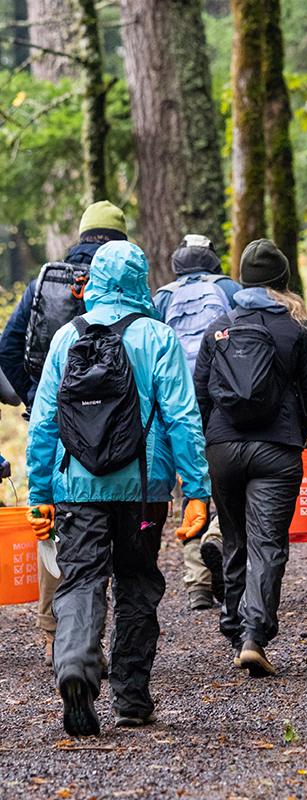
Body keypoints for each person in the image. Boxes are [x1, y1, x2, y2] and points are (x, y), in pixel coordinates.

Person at [25, 240, 211, 736]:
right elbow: (183, 418)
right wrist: (196, 490)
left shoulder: (67, 336)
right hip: (144, 492)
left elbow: (44, 421)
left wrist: (39, 492)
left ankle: (75, 670)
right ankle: (131, 699)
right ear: (140, 279)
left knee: (82, 578)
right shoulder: (158, 336)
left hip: (77, 487)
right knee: (137, 582)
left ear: (96, 282)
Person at [0, 200, 128, 666]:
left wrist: (36, 397)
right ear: (121, 235)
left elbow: (8, 347)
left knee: (53, 515)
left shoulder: (45, 280)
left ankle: (58, 631)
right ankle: (107, 630)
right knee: (115, 516)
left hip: (53, 420)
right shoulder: (126, 280)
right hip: (118, 424)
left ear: (81, 233)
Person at [194, 239, 307, 677]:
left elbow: (201, 394)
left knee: (233, 540)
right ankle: (254, 636)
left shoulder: (218, 327)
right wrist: (294, 435)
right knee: (268, 545)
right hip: (277, 450)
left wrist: (214, 439)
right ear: (282, 281)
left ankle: (233, 624)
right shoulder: (298, 329)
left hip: (223, 450)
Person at [153, 234, 240, 611]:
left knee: (189, 484)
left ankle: (197, 585)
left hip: (175, 404)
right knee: (224, 480)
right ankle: (219, 536)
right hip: (221, 400)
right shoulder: (228, 289)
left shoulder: (162, 297)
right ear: (212, 261)